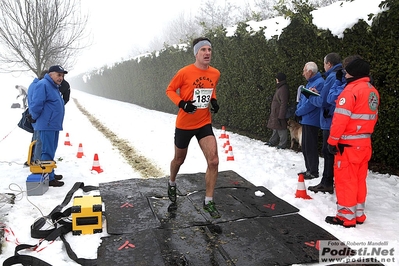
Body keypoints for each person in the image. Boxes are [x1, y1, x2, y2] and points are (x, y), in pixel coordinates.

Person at [165, 37, 221, 218]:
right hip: (184, 124)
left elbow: (211, 87)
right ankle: (172, 182)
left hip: (204, 122)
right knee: (179, 160)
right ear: (196, 53)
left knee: (213, 161)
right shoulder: (184, 72)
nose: (207, 53)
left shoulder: (215, 73)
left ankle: (209, 201)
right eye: (203, 50)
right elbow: (170, 90)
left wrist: (213, 100)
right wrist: (182, 104)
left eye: (209, 50)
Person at [325, 57, 379, 228]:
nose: (345, 74)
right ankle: (358, 214)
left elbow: (340, 120)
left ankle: (346, 217)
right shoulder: (372, 91)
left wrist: (332, 141)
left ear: (354, 73)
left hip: (347, 145)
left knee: (345, 180)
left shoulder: (350, 91)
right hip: (364, 144)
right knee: (359, 180)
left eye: (347, 72)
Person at [307, 53, 343, 194]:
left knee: (328, 152)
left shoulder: (332, 76)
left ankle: (326, 182)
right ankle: (330, 181)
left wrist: (310, 97)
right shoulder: (340, 74)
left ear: (328, 64)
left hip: (329, 120)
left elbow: (324, 101)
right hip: (337, 118)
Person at [28, 65, 68, 187]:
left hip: (53, 125)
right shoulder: (43, 84)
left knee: (51, 150)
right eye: (58, 75)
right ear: (51, 74)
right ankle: (48, 178)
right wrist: (33, 116)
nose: (61, 78)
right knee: (46, 151)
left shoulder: (53, 87)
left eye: (62, 75)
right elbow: (36, 104)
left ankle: (50, 172)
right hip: (46, 124)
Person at [295, 62, 324, 180]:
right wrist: (298, 109)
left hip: (312, 119)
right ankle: (309, 169)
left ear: (310, 72)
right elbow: (302, 100)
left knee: (310, 146)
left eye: (304, 71)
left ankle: (313, 171)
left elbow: (311, 104)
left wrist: (298, 112)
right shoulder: (309, 83)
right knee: (305, 146)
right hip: (306, 118)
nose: (303, 74)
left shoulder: (319, 83)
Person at [265, 72, 289, 149]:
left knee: (281, 128)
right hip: (276, 112)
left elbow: (284, 103)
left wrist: (281, 115)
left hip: (279, 112)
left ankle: (282, 144)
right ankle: (273, 141)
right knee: (275, 127)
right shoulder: (280, 87)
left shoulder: (283, 88)